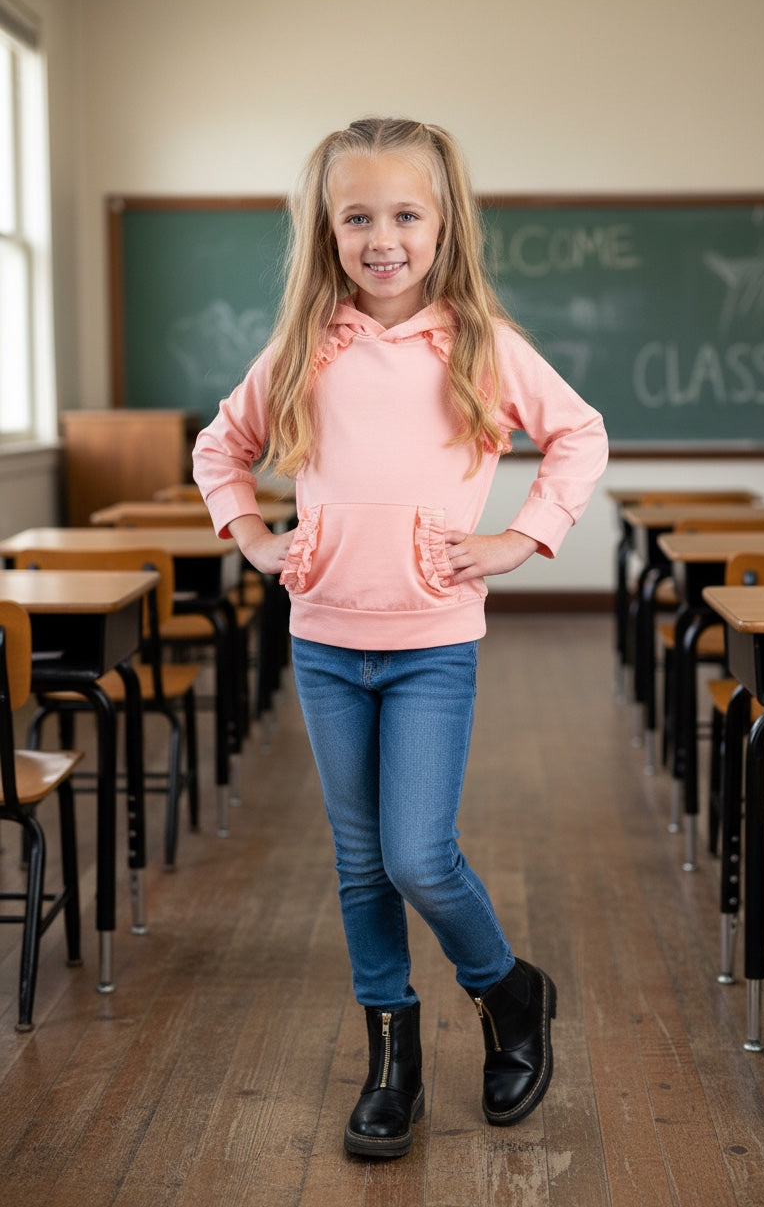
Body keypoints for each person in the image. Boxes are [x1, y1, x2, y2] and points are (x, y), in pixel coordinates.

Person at [193, 117, 608, 1159]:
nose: (383, 239)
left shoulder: (480, 343)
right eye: (357, 217)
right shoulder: (306, 346)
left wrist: (521, 538)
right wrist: (253, 537)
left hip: (431, 647)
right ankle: (393, 1063)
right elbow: (220, 447)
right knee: (360, 865)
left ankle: (508, 991)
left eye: (406, 215)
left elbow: (579, 433)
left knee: (418, 855)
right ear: (326, 230)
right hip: (326, 644)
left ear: (444, 223)